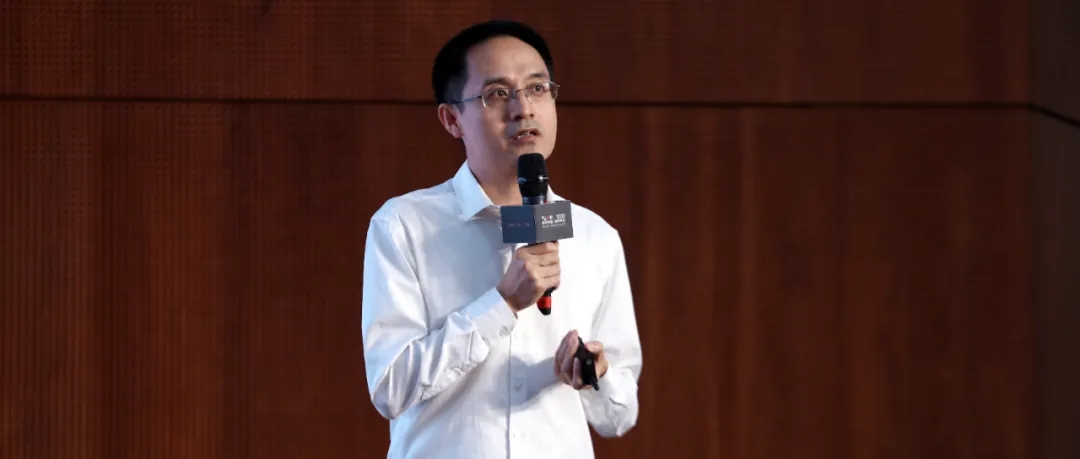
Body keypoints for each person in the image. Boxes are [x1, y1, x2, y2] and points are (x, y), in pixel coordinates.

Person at [361, 20, 643, 459]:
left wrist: (594, 374)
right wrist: (502, 303)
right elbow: (390, 388)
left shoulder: (595, 236)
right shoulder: (404, 226)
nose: (522, 108)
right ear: (452, 119)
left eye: (537, 88)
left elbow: (619, 416)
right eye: (496, 93)